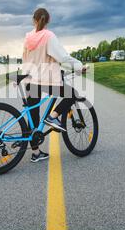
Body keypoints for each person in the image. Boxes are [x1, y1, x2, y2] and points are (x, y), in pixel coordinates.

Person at [22, 8, 85, 163]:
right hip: (46, 79)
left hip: (30, 79)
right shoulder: (49, 36)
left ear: (33, 20)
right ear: (47, 21)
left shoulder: (28, 37)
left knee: (34, 117)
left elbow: (24, 58)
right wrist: (78, 66)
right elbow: (62, 57)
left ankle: (36, 153)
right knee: (71, 94)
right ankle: (53, 116)